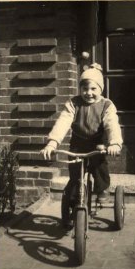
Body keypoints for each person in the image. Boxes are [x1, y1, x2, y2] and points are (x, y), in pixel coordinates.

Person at [41, 63, 123, 205]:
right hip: (78, 143)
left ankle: (102, 189)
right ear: (80, 89)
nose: (89, 93)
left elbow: (112, 124)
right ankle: (72, 198)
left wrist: (115, 142)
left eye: (93, 88)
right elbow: (63, 121)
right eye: (85, 89)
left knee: (99, 167)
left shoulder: (106, 105)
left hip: (98, 144)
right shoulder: (74, 103)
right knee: (75, 173)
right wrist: (53, 142)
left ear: (101, 88)